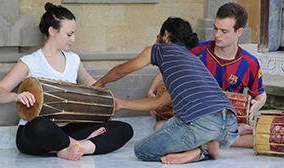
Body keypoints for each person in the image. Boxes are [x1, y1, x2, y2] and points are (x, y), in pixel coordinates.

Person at [0, 2, 133, 161]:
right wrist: (15, 96)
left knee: (124, 129)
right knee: (39, 126)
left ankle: (73, 147)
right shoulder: (31, 62)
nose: (73, 39)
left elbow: (91, 85)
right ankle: (75, 145)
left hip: (68, 128)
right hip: (37, 132)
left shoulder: (73, 59)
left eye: (74, 34)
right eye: (69, 34)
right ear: (53, 31)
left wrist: (109, 99)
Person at [93, 17, 239, 164]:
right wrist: (122, 104)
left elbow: (121, 71)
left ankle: (200, 151)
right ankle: (209, 145)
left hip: (203, 122)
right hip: (230, 126)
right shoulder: (191, 61)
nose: (156, 40)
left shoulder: (160, 49)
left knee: (142, 150)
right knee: (175, 124)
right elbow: (158, 102)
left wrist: (100, 82)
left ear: (166, 35)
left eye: (158, 36)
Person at [147, 2, 267, 148]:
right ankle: (218, 140)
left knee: (257, 138)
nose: (217, 35)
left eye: (224, 31)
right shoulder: (196, 51)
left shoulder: (250, 63)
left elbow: (260, 94)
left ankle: (207, 141)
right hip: (195, 117)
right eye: (215, 28)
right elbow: (165, 71)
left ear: (239, 32)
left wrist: (257, 104)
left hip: (224, 119)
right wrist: (152, 92)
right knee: (159, 126)